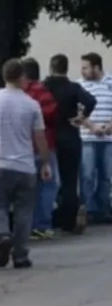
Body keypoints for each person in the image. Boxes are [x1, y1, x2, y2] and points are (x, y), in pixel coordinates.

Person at [0, 59, 53, 269]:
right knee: (24, 211)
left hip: (0, 164)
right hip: (25, 166)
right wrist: (45, 163)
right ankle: (20, 255)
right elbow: (40, 137)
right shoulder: (31, 104)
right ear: (22, 77)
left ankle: (2, 235)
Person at [44, 54, 94, 233]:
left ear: (51, 68)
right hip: (70, 135)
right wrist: (82, 116)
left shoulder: (45, 86)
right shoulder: (73, 87)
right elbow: (90, 100)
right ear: (66, 68)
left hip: (49, 136)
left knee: (47, 181)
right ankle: (69, 221)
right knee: (70, 181)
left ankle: (46, 219)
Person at [20, 58, 58, 239]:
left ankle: (26, 226)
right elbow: (52, 114)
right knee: (48, 185)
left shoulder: (19, 94)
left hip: (23, 147)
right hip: (44, 145)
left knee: (28, 190)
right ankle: (41, 225)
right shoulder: (41, 92)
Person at [77, 52, 112, 223]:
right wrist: (92, 127)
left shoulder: (111, 82)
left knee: (107, 176)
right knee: (88, 175)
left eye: (85, 68)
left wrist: (110, 125)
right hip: (87, 138)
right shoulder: (80, 85)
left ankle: (104, 210)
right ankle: (89, 210)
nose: (82, 71)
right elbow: (76, 112)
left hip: (109, 139)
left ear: (96, 67)